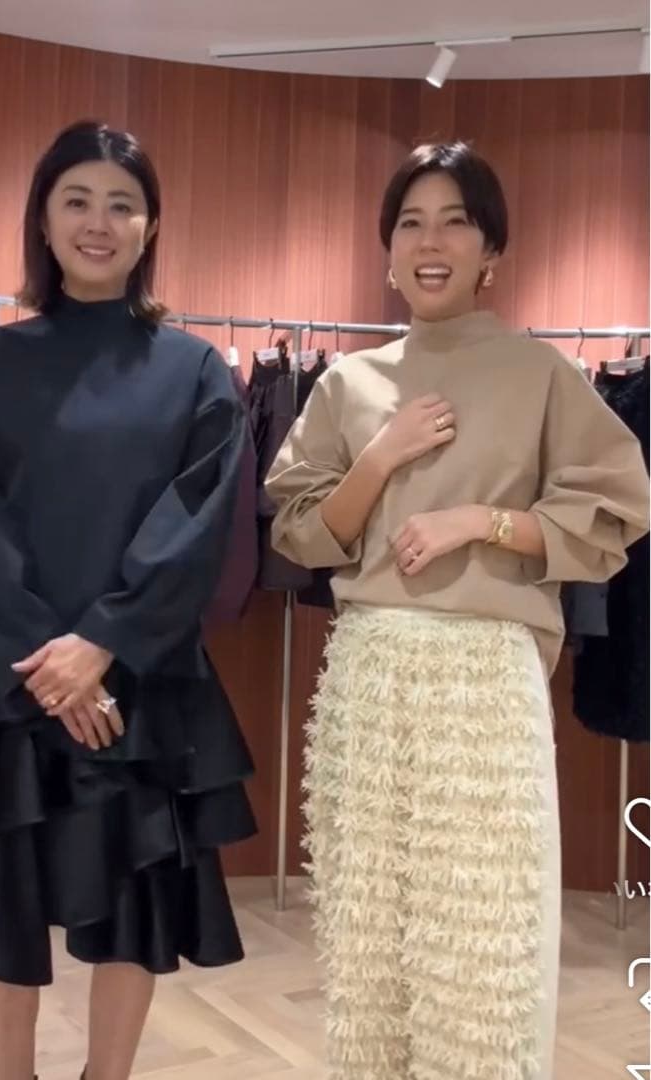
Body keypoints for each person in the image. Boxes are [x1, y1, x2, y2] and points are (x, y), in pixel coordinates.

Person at [264, 141, 650, 1080]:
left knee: (483, 941)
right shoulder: (348, 383)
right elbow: (302, 532)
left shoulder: (540, 373)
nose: (429, 243)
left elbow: (616, 508)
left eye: (455, 222)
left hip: (484, 677)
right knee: (370, 937)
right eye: (410, 223)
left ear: (492, 251)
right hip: (369, 674)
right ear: (388, 250)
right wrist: (381, 456)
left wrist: (480, 522)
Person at [0, 121, 257, 1080]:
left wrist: (103, 643)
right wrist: (54, 664)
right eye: (77, 201)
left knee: (134, 902)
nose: (99, 222)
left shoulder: (195, 370)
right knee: (5, 900)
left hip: (138, 677)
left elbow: (197, 521)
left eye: (121, 205)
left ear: (150, 227)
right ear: (43, 222)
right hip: (14, 676)